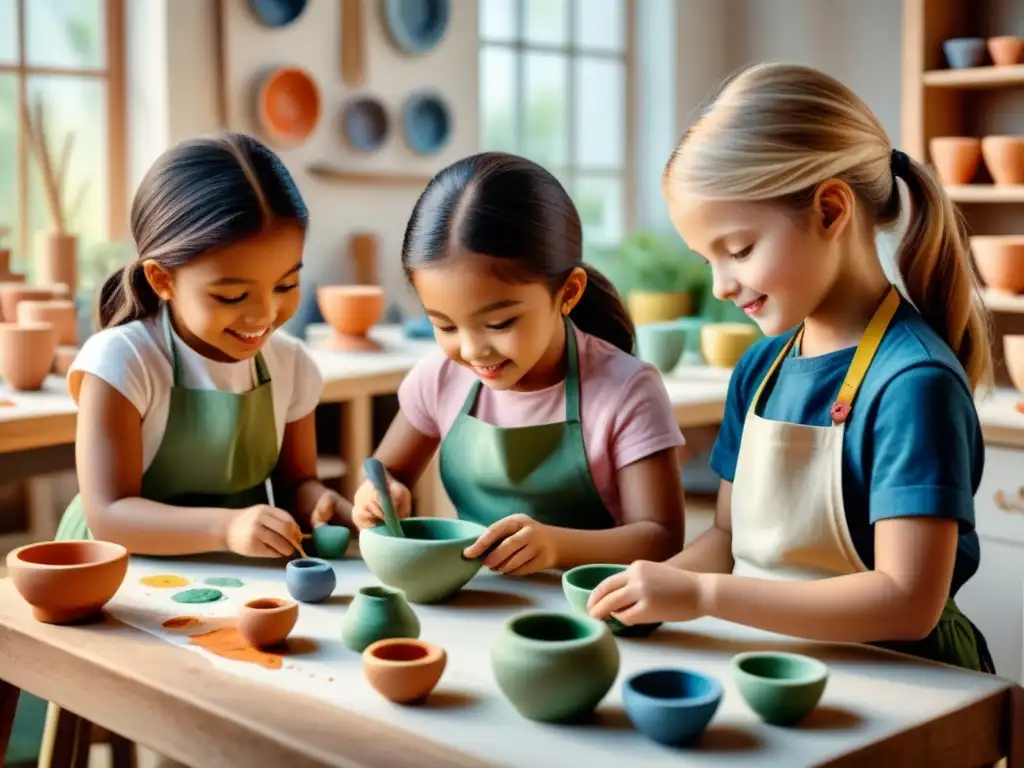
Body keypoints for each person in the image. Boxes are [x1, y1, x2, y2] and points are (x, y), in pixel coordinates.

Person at [587, 62, 995, 673]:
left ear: (831, 211)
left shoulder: (914, 384)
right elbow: (725, 543)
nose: (722, 285)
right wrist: (645, 589)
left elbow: (908, 601)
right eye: (707, 259)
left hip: (908, 684)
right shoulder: (760, 371)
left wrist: (702, 597)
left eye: (740, 250)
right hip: (778, 668)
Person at [350, 151, 687, 575]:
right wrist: (377, 495)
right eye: (445, 326)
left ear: (568, 293)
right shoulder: (440, 377)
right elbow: (387, 472)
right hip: (476, 601)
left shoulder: (626, 389)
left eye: (499, 323)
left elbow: (661, 537)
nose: (473, 351)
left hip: (591, 612)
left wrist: (556, 546)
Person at [54, 132, 350, 555]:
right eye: (231, 296)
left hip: (234, 574)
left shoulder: (291, 364)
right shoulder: (122, 362)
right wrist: (227, 529)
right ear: (163, 279)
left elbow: (296, 485)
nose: (264, 315)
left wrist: (323, 504)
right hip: (117, 573)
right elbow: (109, 515)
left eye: (286, 284)